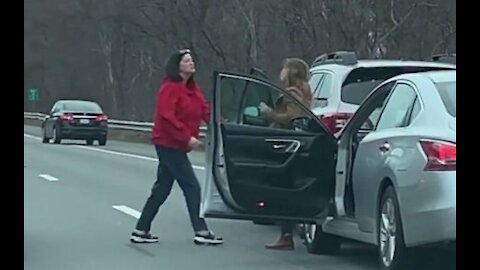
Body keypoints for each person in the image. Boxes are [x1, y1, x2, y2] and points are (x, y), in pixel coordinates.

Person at [130, 49, 223, 245]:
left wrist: (219, 124)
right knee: (192, 186)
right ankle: (201, 231)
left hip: (177, 145)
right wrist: (186, 137)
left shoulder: (191, 88)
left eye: (191, 60)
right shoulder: (170, 87)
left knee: (161, 189)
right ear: (177, 66)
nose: (191, 63)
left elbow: (204, 109)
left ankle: (141, 229)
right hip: (168, 144)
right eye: (187, 61)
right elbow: (166, 116)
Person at [259, 58, 312, 250]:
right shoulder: (304, 90)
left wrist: (268, 113)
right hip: (296, 146)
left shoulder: (292, 93)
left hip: (285, 144)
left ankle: (286, 235)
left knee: (281, 190)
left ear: (291, 72)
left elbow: (291, 117)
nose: (281, 71)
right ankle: (288, 232)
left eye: (284, 68)